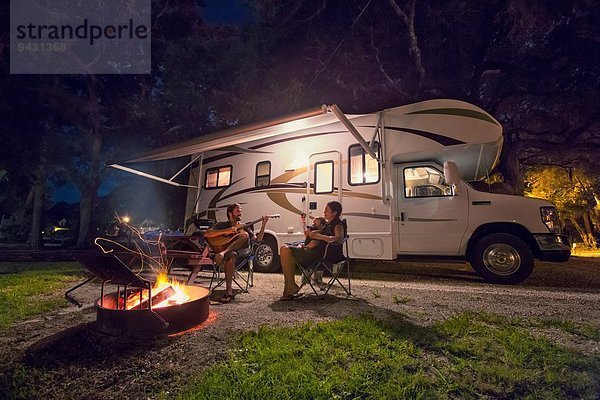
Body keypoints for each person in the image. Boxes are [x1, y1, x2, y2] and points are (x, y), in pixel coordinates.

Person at [279, 201, 344, 300]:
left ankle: (290, 288)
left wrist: (319, 236)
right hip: (313, 251)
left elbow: (338, 239)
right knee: (283, 248)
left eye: (327, 210)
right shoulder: (328, 224)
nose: (324, 212)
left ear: (334, 213)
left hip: (320, 256)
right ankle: (289, 287)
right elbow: (320, 233)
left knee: (286, 250)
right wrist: (313, 233)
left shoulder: (337, 224)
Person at [212, 203, 269, 303]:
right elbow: (207, 233)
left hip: (243, 251)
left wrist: (263, 224)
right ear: (230, 213)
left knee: (245, 235)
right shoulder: (222, 225)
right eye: (238, 211)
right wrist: (227, 231)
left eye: (241, 211)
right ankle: (229, 292)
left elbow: (257, 240)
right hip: (231, 253)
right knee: (232, 255)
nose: (240, 213)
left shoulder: (244, 226)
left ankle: (223, 254)